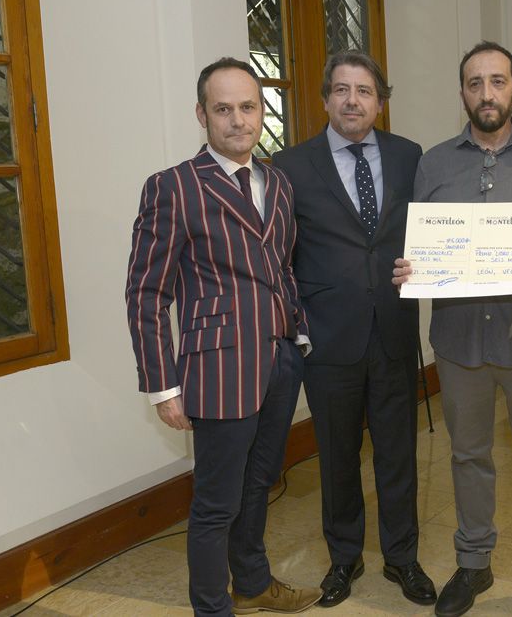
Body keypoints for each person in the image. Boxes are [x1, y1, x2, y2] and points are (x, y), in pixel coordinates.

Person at [392, 41, 512, 617]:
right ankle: (473, 564)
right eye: (475, 83)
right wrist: (411, 265)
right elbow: (420, 245)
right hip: (458, 343)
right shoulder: (433, 163)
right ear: (463, 93)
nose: (487, 93)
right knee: (468, 455)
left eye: (498, 82)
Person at [125, 57, 320, 617]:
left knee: (261, 483)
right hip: (217, 371)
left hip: (281, 362)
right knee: (215, 503)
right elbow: (146, 295)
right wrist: (163, 388)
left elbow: (282, 265)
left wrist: (297, 336)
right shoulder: (173, 188)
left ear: (262, 112)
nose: (239, 121)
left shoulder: (277, 182)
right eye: (224, 109)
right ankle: (213, 607)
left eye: (249, 107)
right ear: (202, 115)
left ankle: (253, 583)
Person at [271, 51, 436, 608]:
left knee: (398, 453)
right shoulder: (291, 165)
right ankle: (343, 560)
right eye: (341, 90)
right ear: (324, 100)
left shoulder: (409, 156)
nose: (352, 101)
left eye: (364, 91)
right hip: (328, 336)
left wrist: (428, 263)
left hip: (392, 329)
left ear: (380, 102)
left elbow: (431, 230)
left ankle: (402, 557)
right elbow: (278, 252)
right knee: (337, 456)